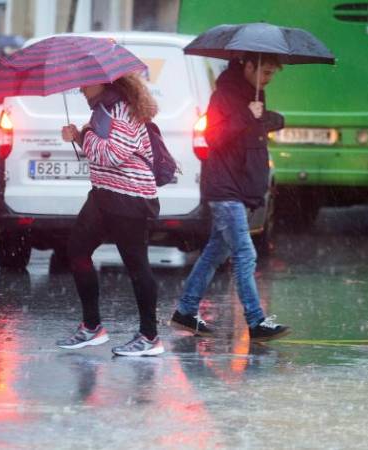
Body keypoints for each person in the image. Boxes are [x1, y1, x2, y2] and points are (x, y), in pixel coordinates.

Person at [170, 52, 291, 342]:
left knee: (215, 252)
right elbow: (215, 136)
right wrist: (248, 115)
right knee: (244, 253)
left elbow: (262, 126)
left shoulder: (256, 95)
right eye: (265, 72)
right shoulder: (223, 95)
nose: (268, 78)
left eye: (272, 74)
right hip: (224, 187)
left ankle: (185, 311)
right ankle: (255, 321)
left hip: (241, 186)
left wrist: (269, 117)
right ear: (249, 66)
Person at [55, 72, 164, 357]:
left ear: (104, 82)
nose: (80, 87)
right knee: (76, 250)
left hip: (130, 196)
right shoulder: (103, 109)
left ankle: (150, 336)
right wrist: (79, 136)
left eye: (86, 82)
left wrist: (85, 135)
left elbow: (112, 155)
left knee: (137, 266)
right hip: (104, 192)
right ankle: (92, 327)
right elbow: (100, 151)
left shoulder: (123, 111)